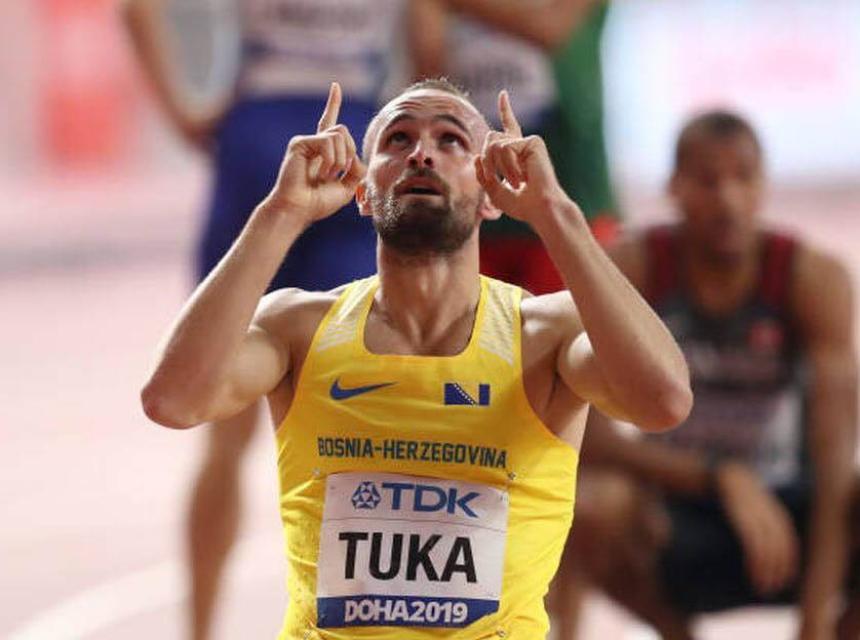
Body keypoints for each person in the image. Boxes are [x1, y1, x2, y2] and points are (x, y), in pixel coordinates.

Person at [141, 79, 692, 639]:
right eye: (398, 139)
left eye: (451, 140)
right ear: (361, 192)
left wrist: (554, 213)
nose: (421, 154)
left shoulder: (543, 334)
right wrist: (279, 213)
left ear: (491, 194)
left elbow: (664, 401)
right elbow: (172, 400)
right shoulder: (298, 327)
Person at [123, 2, 405, 637]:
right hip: (352, 142)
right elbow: (431, 43)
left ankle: (199, 629)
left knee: (225, 430)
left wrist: (183, 112)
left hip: (259, 140)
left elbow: (135, 11)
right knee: (362, 429)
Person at [561, 111, 860, 640]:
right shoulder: (635, 267)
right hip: (679, 510)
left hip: (792, 511)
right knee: (590, 505)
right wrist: (717, 476)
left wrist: (814, 623)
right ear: (674, 188)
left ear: (764, 185)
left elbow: (835, 457)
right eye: (707, 180)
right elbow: (582, 434)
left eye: (743, 178)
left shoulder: (811, 279)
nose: (728, 198)